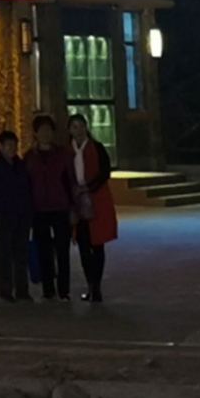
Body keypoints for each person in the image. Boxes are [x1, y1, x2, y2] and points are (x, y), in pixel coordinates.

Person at [68, 112, 117, 304]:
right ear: (69, 131)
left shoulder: (97, 148)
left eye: (81, 126)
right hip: (77, 202)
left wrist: (89, 187)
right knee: (83, 245)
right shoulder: (68, 152)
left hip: (97, 200)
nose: (78, 130)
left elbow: (105, 172)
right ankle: (90, 284)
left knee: (97, 244)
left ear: (86, 127)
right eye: (74, 127)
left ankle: (96, 286)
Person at [25, 114, 73, 301]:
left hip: (60, 208)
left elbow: (70, 181)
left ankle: (64, 290)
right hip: (39, 211)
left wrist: (72, 208)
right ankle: (48, 289)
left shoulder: (62, 154)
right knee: (43, 251)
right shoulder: (29, 157)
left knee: (62, 251)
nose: (45, 133)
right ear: (35, 133)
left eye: (48, 129)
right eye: (41, 130)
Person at [0, 125, 34, 301]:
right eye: (8, 145)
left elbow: (27, 189)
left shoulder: (20, 165)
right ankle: (6, 290)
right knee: (4, 256)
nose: (12, 148)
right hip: (3, 216)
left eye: (14, 145)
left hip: (21, 216)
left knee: (21, 255)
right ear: (0, 146)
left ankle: (22, 290)